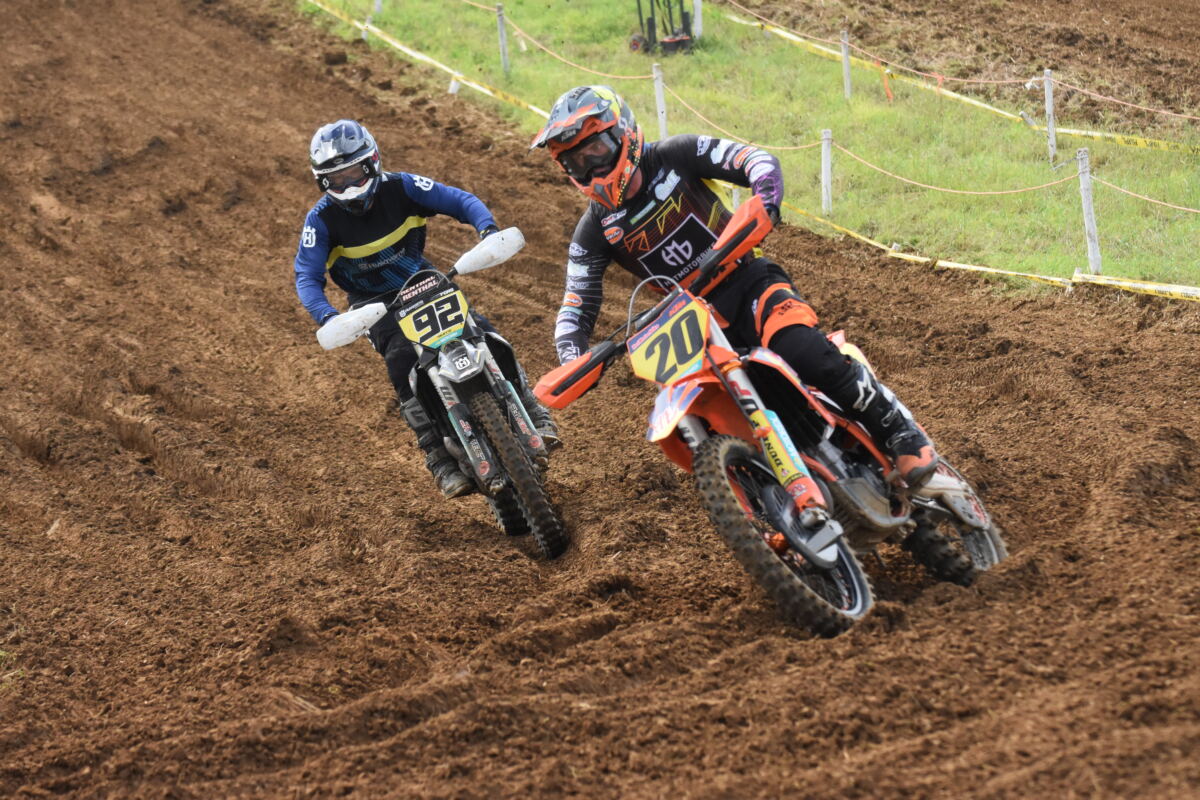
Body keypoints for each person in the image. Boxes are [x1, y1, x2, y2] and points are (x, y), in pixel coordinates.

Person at [529, 86, 938, 487]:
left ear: (623, 133)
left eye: (595, 150)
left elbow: (753, 159)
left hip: (747, 280)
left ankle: (899, 430)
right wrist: (573, 360)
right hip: (689, 323)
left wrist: (765, 198)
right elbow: (575, 306)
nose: (590, 167)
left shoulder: (675, 154)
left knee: (801, 350)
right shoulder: (593, 231)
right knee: (701, 412)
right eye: (576, 162)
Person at [295, 119, 559, 498]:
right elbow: (307, 276)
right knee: (401, 362)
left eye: (354, 174)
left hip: (422, 280)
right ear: (322, 183)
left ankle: (531, 408)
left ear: (372, 162)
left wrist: (487, 230)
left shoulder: (402, 187)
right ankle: (437, 454)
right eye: (336, 180)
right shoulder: (320, 221)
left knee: (480, 329)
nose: (349, 186)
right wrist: (327, 316)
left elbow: (459, 200)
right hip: (373, 305)